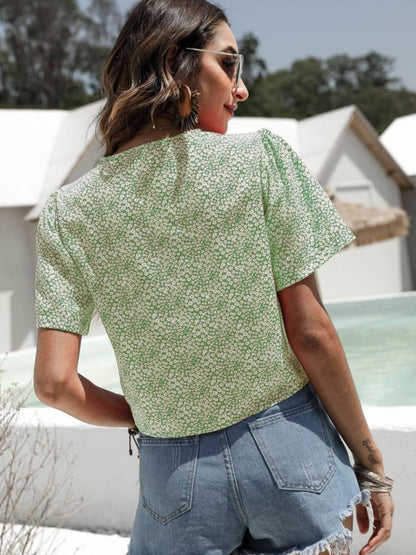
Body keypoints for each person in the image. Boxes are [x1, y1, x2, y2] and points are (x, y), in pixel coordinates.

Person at [33, 1, 394, 554]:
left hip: (174, 477)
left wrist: (151, 416)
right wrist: (370, 464)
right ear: (175, 63)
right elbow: (311, 333)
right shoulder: (261, 161)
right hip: (295, 456)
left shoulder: (69, 213)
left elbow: (55, 384)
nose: (241, 88)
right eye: (229, 64)